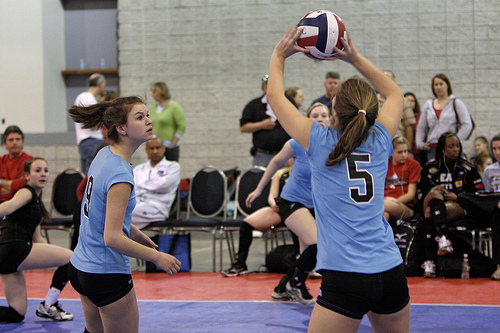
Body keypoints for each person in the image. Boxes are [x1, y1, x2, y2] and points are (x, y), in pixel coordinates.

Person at [268, 27, 410, 332]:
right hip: (391, 270)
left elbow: (275, 96)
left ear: (334, 109)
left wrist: (280, 54)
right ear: (371, 109)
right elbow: (395, 92)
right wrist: (355, 57)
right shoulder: (382, 137)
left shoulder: (318, 140)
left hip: (346, 275)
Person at [68, 96, 181, 333]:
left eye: (148, 115)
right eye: (140, 117)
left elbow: (102, 212)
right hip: (105, 272)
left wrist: (136, 233)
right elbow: (112, 239)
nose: (149, 121)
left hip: (81, 268)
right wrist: (156, 257)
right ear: (121, 128)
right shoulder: (120, 174)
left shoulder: (104, 155)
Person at [0, 158, 74, 323]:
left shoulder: (36, 204)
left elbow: (37, 238)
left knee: (16, 314)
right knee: (71, 258)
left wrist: (53, 254)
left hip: (7, 255)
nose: (43, 174)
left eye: (46, 171)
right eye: (37, 170)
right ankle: (49, 304)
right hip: (14, 248)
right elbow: (8, 207)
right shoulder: (26, 192)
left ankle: (48, 306)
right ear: (27, 175)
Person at [418, 132, 484, 278]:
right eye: (451, 146)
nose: (456, 149)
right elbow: (421, 193)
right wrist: (437, 194)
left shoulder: (467, 169)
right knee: (434, 193)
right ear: (442, 149)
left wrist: (457, 197)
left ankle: (430, 261)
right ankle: (443, 239)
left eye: (458, 146)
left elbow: (478, 195)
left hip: (459, 207)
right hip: (433, 203)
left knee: (430, 212)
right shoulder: (430, 168)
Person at [221, 161, 291, 277]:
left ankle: (305, 264)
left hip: (299, 210)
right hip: (280, 210)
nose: (293, 159)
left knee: (298, 228)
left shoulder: (306, 172)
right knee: (247, 223)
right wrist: (273, 203)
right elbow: (272, 196)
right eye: (291, 157)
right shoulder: (280, 174)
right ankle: (240, 264)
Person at [456, 134, 500, 280]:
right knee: (463, 197)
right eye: (494, 149)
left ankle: (499, 266)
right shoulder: (489, 170)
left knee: (496, 212)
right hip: (492, 202)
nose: (497, 152)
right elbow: (486, 194)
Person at [416, 74, 473, 161]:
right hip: (433, 148)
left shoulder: (456, 103)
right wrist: (419, 143)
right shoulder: (428, 105)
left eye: (441, 84)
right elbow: (421, 127)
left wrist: (456, 141)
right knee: (434, 173)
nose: (438, 87)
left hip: (451, 149)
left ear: (447, 85)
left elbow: (467, 124)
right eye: (436, 85)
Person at [240, 75, 291, 167]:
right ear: (264, 89)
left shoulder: (288, 101)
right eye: (269, 88)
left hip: (284, 154)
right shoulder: (254, 105)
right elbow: (243, 127)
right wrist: (261, 125)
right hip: (263, 155)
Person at [132, 136, 181, 229]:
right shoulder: (139, 169)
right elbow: (132, 188)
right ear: (146, 150)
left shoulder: (173, 167)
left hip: (157, 207)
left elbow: (164, 185)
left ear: (163, 149)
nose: (155, 151)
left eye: (158, 148)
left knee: (123, 215)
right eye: (151, 148)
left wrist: (141, 185)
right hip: (137, 202)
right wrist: (154, 183)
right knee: (113, 211)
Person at [383, 136, 421, 227]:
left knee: (381, 207)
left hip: (405, 207)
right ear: (391, 152)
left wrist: (393, 201)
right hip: (385, 204)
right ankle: (379, 240)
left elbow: (411, 195)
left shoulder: (413, 165)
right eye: (400, 152)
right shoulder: (384, 165)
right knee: (384, 215)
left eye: (406, 151)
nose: (404, 155)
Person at [74, 73, 106, 174]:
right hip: (92, 141)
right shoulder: (89, 99)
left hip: (84, 141)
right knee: (93, 176)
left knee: (86, 176)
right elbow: (93, 125)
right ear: (100, 84)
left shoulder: (80, 97)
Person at [149, 82, 186, 162]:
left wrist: (173, 143)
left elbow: (182, 126)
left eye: (154, 92)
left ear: (161, 92)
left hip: (169, 147)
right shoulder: (154, 107)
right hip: (156, 147)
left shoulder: (174, 106)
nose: (152, 95)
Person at [379, 72, 416, 150]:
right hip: (379, 145)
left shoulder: (403, 101)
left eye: (389, 80)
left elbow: (408, 126)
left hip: (399, 145)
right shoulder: (373, 101)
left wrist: (408, 148)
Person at [0, 126, 33, 203]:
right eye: (11, 140)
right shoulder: (1, 161)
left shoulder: (30, 161)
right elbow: (18, 186)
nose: (14, 142)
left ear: (22, 142)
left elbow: (24, 185)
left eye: (18, 139)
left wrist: (1, 182)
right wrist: (14, 187)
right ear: (5, 143)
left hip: (21, 204)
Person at [405, 92, 426, 166]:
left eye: (412, 101)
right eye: (407, 101)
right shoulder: (400, 117)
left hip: (419, 151)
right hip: (405, 150)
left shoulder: (421, 116)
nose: (410, 103)